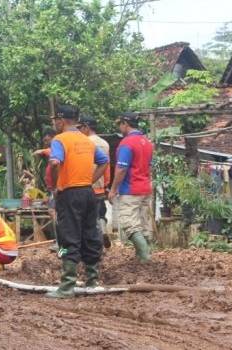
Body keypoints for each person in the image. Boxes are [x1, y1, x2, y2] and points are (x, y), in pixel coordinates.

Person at [46, 105, 109, 298]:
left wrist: (57, 185)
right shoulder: (87, 140)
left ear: (62, 120)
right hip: (88, 193)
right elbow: (104, 161)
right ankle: (92, 280)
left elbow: (55, 162)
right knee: (90, 233)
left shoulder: (60, 140)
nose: (55, 123)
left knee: (67, 236)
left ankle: (67, 285)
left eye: (56, 119)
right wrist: (90, 180)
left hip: (69, 194)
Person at [108, 112, 154, 263]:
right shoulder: (147, 142)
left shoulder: (127, 143)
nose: (119, 127)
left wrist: (113, 189)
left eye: (119, 124)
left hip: (130, 189)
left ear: (125, 124)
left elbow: (121, 169)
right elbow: (149, 167)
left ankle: (145, 257)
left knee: (130, 224)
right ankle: (142, 258)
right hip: (146, 188)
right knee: (143, 224)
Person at [78, 115, 112, 248]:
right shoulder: (105, 144)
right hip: (100, 185)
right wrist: (106, 184)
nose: (79, 130)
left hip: (85, 185)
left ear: (86, 127)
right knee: (100, 213)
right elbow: (106, 166)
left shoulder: (84, 143)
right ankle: (103, 230)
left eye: (80, 127)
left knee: (87, 218)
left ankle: (92, 245)